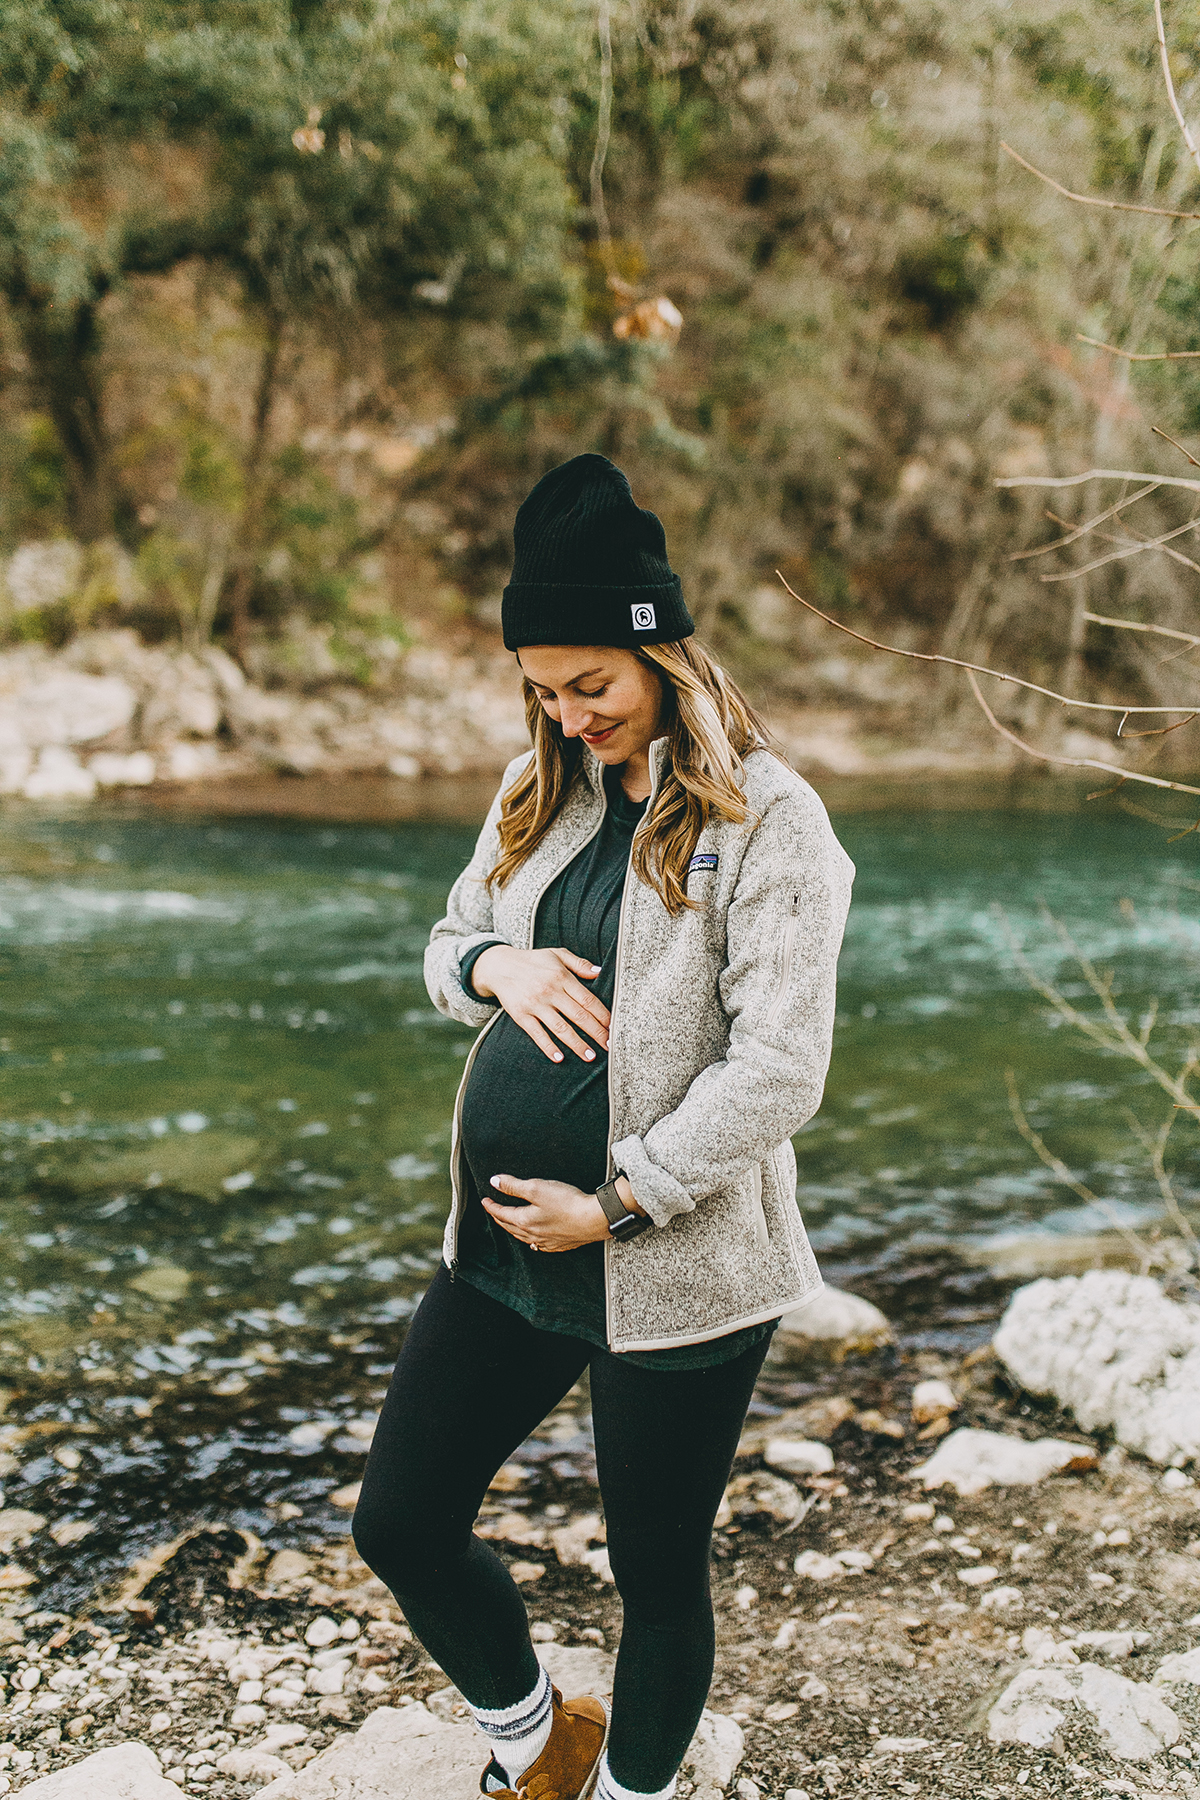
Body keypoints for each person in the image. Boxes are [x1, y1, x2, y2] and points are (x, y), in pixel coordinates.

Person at [353, 455, 855, 1800]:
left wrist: (622, 1198)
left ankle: (637, 1792)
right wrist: (490, 971)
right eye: (545, 688)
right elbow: (451, 938)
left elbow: (782, 1069)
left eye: (594, 685)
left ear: (662, 657)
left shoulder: (770, 822)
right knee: (400, 1519)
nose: (571, 714)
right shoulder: (545, 794)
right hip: (509, 1255)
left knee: (654, 1569)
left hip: (678, 1267)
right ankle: (537, 1742)